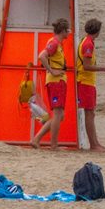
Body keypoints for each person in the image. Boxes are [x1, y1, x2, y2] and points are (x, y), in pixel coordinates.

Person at [77, 18, 105, 152]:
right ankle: (94, 145)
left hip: (86, 81)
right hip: (85, 81)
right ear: (98, 31)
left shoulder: (86, 41)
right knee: (89, 113)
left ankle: (96, 143)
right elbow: (87, 66)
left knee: (91, 113)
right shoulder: (88, 44)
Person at [31, 18, 70, 150]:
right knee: (58, 114)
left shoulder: (57, 43)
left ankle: (37, 139)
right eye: (68, 30)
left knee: (59, 115)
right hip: (56, 82)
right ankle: (53, 145)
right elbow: (42, 56)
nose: (69, 32)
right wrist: (51, 70)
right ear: (63, 31)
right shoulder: (53, 43)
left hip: (58, 81)